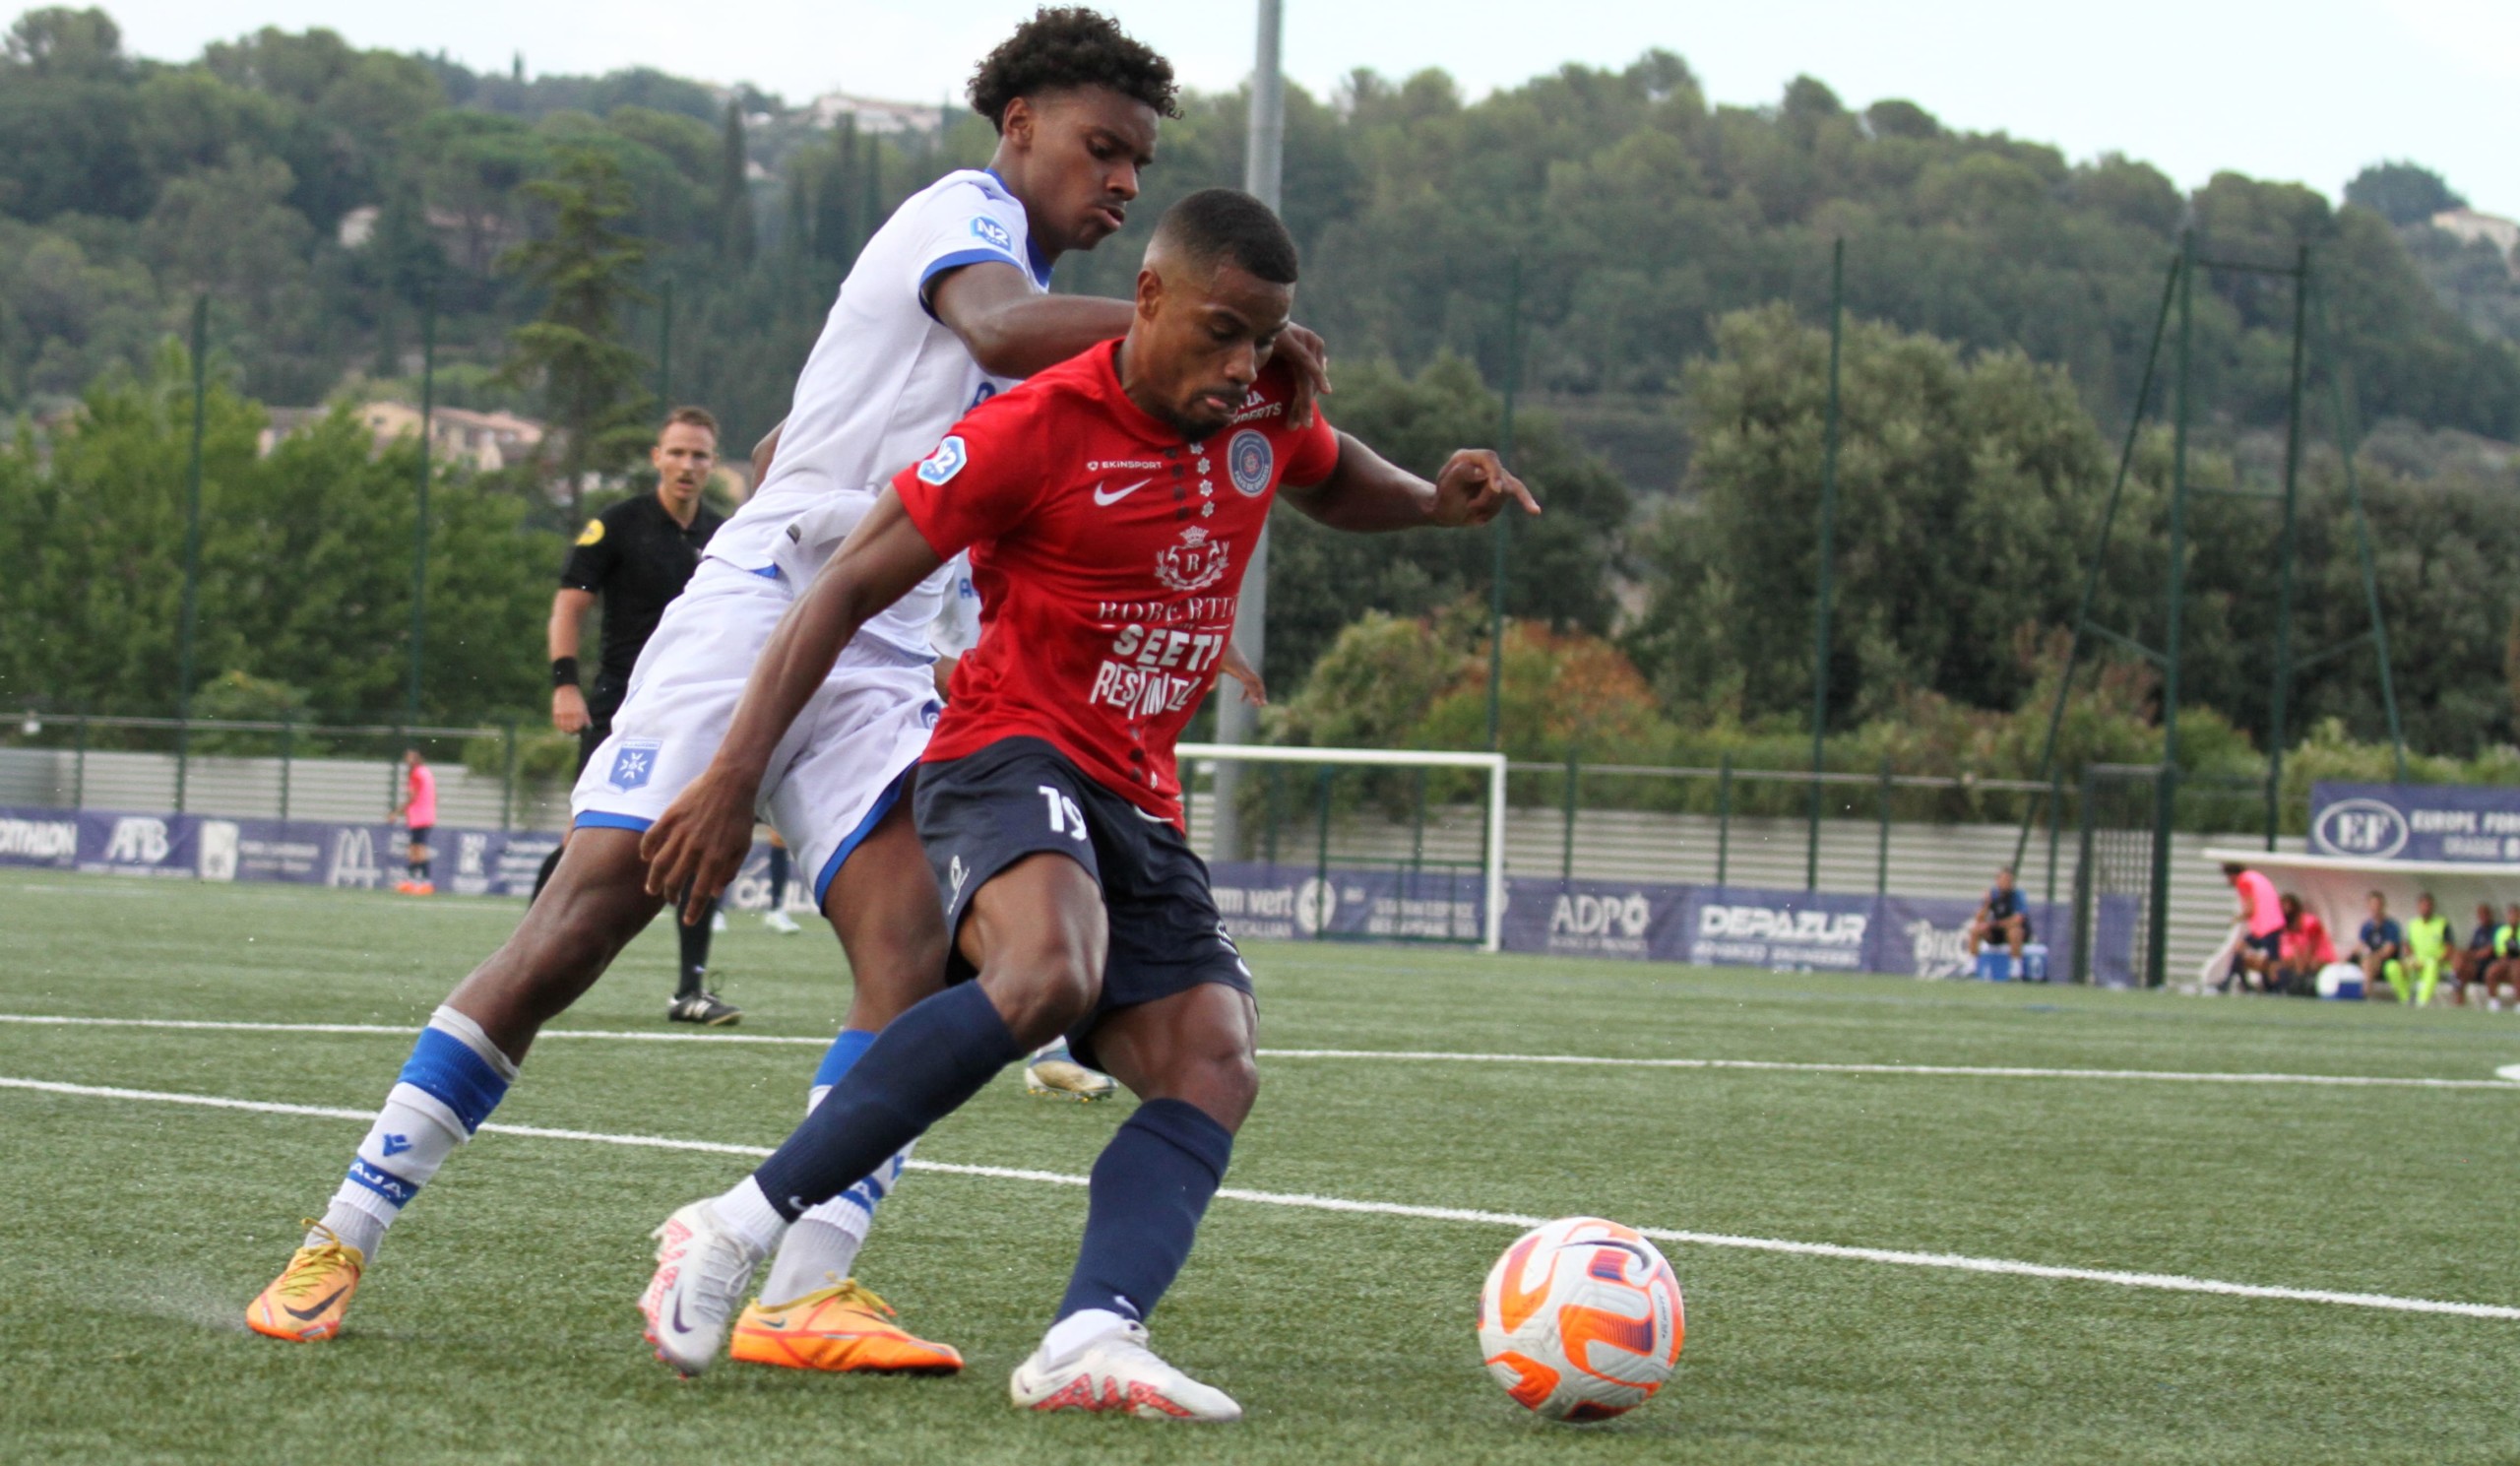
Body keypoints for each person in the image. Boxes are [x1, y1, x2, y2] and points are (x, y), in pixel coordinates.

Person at [243, 10, 1327, 1365]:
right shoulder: (965, 219)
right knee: (582, 926)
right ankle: (339, 1235)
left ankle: (803, 1287)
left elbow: (885, 448)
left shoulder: (1081, 337)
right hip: (760, 612)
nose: (1119, 180)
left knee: (914, 946)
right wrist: (1191, 332)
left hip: (882, 652)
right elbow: (996, 335)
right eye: (1100, 148)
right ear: (1018, 129)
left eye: (1137, 162)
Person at [633, 186, 1537, 1422]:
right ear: (1147, 297)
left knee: (1212, 1060)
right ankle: (729, 1228)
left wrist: (1435, 500)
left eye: (1263, 340)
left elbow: (1324, 476)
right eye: (1220, 332)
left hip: (1134, 789)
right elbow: (836, 592)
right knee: (1048, 971)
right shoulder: (1031, 428)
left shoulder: (1262, 400)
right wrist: (734, 777)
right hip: (1004, 753)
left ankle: (1088, 1335)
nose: (1241, 367)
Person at [539, 406, 735, 1021]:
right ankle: (533, 961)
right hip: (623, 707)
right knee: (586, 838)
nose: (687, 465)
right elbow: (569, 606)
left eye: (699, 455)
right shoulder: (618, 525)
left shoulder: (725, 533)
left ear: (712, 464)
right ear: (657, 457)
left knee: (700, 837)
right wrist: (564, 685)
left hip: (696, 708)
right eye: (676, 452)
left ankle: (691, 990)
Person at [2222, 862, 2284, 991]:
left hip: (2266, 926)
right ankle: (2235, 982)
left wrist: (2237, 918)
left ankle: (2275, 987)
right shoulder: (2254, 876)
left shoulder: (2243, 881)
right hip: (2272, 923)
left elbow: (2250, 908)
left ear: (2232, 875)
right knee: (2268, 957)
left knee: (2272, 961)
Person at [1966, 866, 2031, 975]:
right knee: (1975, 929)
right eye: (2004, 880)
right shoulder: (1993, 894)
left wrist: (1993, 925)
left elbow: (2018, 920)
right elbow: (1979, 918)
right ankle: (1971, 965)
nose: (2006, 883)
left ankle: (2015, 968)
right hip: (1996, 932)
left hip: (2010, 931)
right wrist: (1986, 904)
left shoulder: (2017, 895)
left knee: (2015, 931)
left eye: (2009, 880)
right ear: (1997, 881)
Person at [2268, 893, 2334, 995]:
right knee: (2277, 965)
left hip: (2321, 958)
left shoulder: (2310, 922)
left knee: (2302, 961)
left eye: (2287, 906)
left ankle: (2298, 985)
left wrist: (2299, 966)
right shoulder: (2288, 930)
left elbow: (2311, 949)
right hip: (2302, 960)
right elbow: (2293, 952)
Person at [391, 748, 436, 896]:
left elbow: (412, 796)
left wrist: (396, 812)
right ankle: (411, 881)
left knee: (418, 850)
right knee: (414, 849)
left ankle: (425, 883)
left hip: (419, 816)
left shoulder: (416, 774)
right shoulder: (426, 772)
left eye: (408, 758)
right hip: (426, 815)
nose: (406, 761)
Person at [2348, 891, 2407, 1002]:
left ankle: (2365, 993)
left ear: (2383, 906)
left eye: (2378, 905)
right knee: (2361, 961)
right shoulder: (2367, 926)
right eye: (2372, 905)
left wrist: (2374, 957)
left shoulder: (2391, 926)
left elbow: (2389, 949)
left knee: (2369, 962)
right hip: (2368, 960)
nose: (2375, 908)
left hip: (2385, 962)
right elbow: (2361, 944)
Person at [2402, 891, 2448, 1007]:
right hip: (2416, 961)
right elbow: (2407, 946)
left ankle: (2422, 1001)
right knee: (2392, 967)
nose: (2425, 908)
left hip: (2436, 962)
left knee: (2432, 965)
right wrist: (2412, 959)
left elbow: (2449, 949)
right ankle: (2405, 999)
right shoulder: (2413, 924)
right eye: (2423, 905)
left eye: (2428, 905)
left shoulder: (2442, 924)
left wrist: (2437, 959)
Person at [2453, 902, 2500, 1007]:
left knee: (2463, 961)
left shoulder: (2497, 929)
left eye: (2485, 914)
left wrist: (2472, 955)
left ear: (2490, 914)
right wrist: (2470, 955)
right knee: (2460, 962)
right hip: (2477, 966)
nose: (2482, 917)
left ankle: (2454, 976)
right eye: (2480, 915)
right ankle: (2459, 1000)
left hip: (2489, 965)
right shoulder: (2479, 931)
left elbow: (2488, 951)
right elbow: (2471, 949)